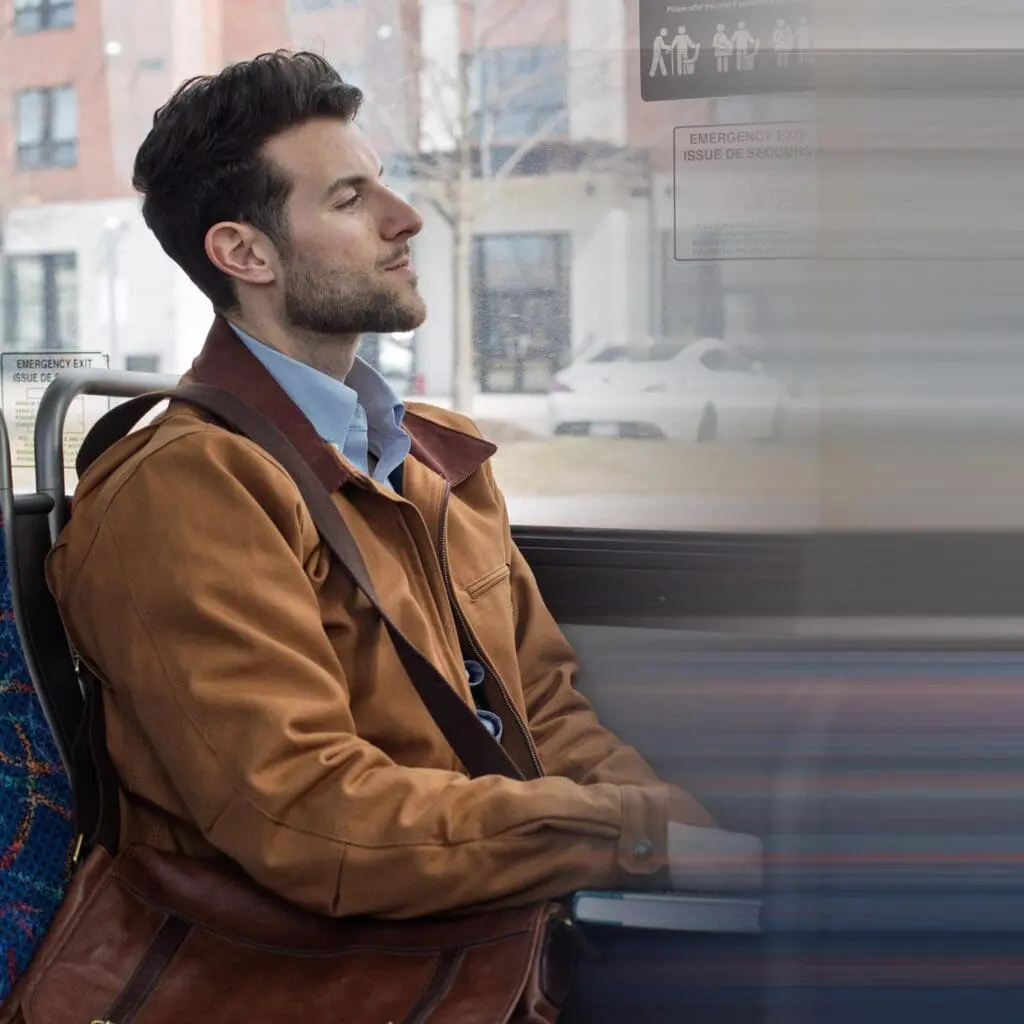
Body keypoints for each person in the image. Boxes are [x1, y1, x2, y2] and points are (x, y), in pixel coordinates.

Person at [45, 52, 759, 1018]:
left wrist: (694, 844)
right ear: (245, 254)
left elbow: (545, 712)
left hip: (468, 918)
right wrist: (634, 839)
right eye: (350, 198)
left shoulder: (434, 459)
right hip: (300, 964)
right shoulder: (188, 487)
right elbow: (304, 814)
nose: (404, 217)